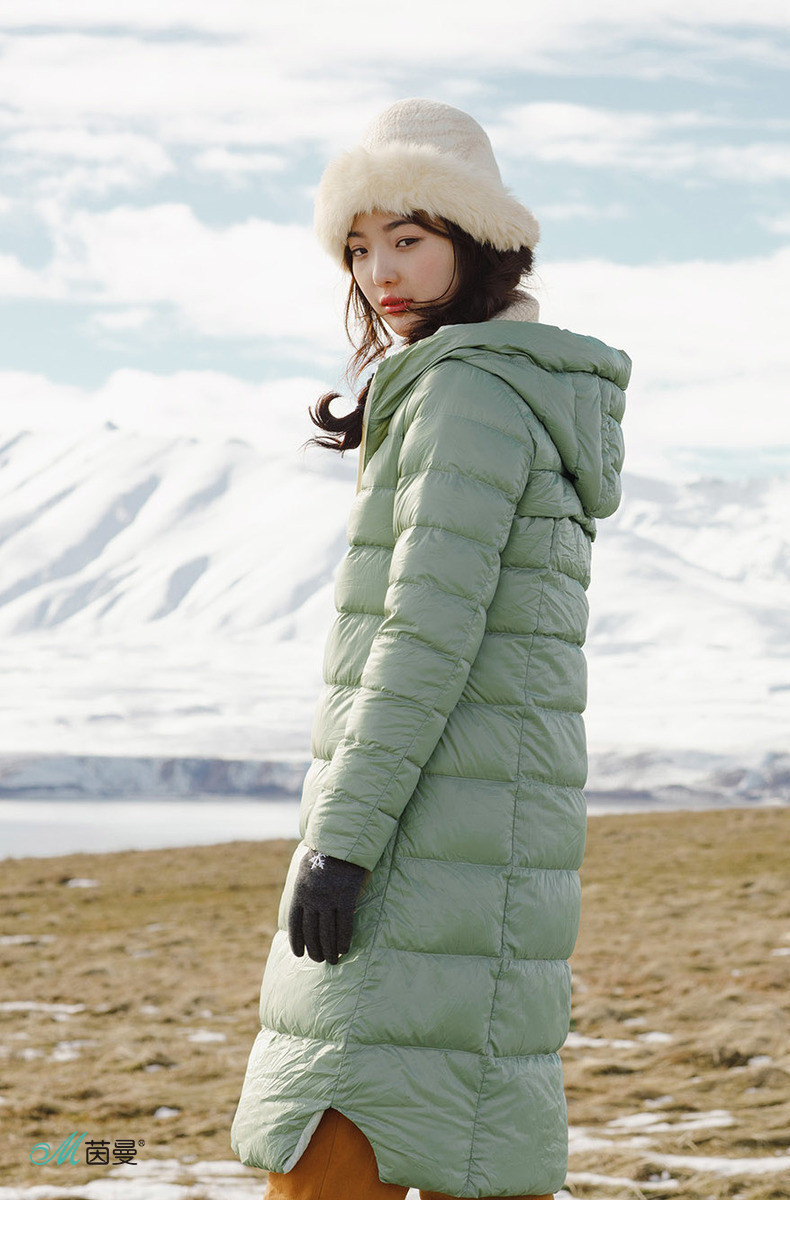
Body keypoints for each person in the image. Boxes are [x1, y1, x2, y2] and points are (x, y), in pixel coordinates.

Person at [231, 97, 631, 1200]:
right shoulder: (509, 387)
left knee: (328, 1163)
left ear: (479, 238)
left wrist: (342, 842)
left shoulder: (465, 391)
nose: (381, 273)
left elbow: (424, 635)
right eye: (359, 249)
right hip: (483, 848)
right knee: (468, 1155)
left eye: (408, 237)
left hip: (415, 849)